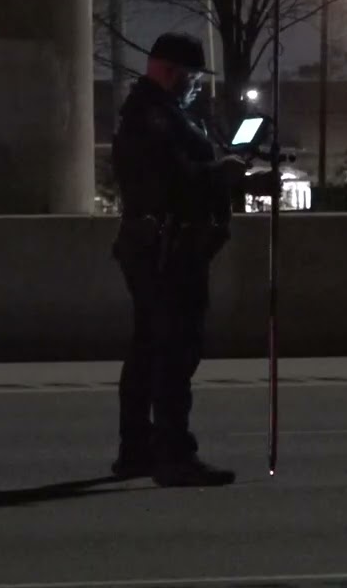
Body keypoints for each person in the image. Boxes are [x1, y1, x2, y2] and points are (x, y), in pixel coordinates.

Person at [110, 32, 269, 488]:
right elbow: (177, 183)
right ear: (169, 71)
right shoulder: (152, 118)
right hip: (166, 249)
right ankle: (172, 453)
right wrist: (232, 178)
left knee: (148, 348)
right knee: (174, 351)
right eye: (192, 76)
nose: (195, 85)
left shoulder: (155, 113)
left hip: (157, 245)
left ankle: (136, 449)